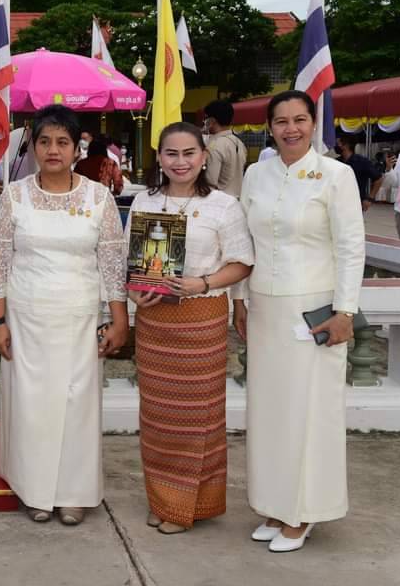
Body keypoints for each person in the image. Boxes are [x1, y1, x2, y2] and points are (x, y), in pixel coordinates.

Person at [0, 105, 129, 526]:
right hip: (26, 320)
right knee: (32, 407)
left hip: (80, 319)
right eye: (44, 141)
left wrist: (120, 320)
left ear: (78, 147)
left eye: (63, 141)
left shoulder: (98, 197)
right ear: (34, 147)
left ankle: (72, 493)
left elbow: (112, 263)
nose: (53, 150)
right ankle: (36, 490)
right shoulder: (15, 196)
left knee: (77, 405)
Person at [232, 90, 365, 553]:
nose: (291, 129)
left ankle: (305, 511)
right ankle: (275, 505)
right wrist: (239, 300)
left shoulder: (336, 175)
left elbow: (351, 246)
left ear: (313, 123)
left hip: (314, 309)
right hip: (264, 307)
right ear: (269, 127)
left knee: (309, 413)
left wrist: (345, 311)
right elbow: (244, 243)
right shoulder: (256, 174)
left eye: (300, 120)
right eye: (281, 121)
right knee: (269, 412)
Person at [127, 122, 254, 534]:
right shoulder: (145, 201)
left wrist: (203, 283)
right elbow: (130, 262)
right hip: (155, 322)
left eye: (188, 153)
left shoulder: (224, 205)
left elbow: (241, 263)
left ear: (203, 157)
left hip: (201, 321)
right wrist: (135, 292)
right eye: (171, 153)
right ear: (159, 158)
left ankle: (189, 505)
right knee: (158, 417)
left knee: (197, 417)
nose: (179, 162)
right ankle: (163, 500)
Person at [202, 100, 247, 197]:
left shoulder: (214, 145)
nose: (204, 122)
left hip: (220, 200)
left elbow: (210, 182)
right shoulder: (239, 143)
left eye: (205, 118)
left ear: (212, 121)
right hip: (238, 198)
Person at [335, 134, 383, 212]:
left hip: (355, 204)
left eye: (338, 143)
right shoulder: (336, 162)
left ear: (346, 145)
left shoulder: (362, 162)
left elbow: (378, 179)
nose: (336, 146)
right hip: (337, 203)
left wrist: (370, 198)